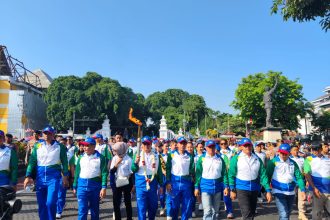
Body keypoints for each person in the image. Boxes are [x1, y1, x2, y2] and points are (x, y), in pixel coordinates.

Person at [24, 126, 69, 220]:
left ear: (53, 134)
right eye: (45, 133)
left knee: (50, 203)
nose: (47, 135)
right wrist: (28, 176)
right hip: (40, 178)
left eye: (49, 133)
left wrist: (65, 176)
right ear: (42, 134)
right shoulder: (37, 146)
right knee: (42, 204)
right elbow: (32, 161)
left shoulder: (60, 147)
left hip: (53, 179)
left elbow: (65, 162)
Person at [228, 138, 272, 220]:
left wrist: (268, 190)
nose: (247, 147)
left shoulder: (257, 159)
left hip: (254, 189)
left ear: (252, 146)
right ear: (241, 147)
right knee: (246, 214)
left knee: (251, 213)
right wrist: (232, 189)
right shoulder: (236, 159)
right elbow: (231, 175)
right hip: (242, 189)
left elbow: (263, 175)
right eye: (245, 146)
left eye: (249, 145)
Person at [267, 143, 306, 220]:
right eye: (281, 153)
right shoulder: (273, 162)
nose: (283, 155)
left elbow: (299, 177)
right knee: (284, 214)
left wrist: (303, 190)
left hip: (291, 192)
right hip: (278, 191)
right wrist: (268, 191)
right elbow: (267, 176)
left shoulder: (293, 163)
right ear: (279, 152)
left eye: (285, 153)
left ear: (289, 153)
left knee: (287, 213)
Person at [73, 137, 108, 220]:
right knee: (82, 210)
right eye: (84, 146)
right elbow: (77, 172)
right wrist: (74, 185)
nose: (85, 148)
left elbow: (104, 173)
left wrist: (103, 187)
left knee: (94, 210)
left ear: (93, 146)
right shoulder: (81, 157)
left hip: (95, 187)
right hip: (82, 186)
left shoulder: (101, 158)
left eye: (87, 146)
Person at [194, 140, 229, 220]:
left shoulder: (220, 159)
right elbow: (198, 174)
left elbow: (224, 173)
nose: (211, 149)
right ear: (206, 148)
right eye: (209, 147)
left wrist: (226, 186)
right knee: (207, 211)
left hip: (217, 187)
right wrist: (196, 187)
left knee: (216, 211)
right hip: (205, 187)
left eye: (213, 147)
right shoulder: (202, 159)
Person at [131, 136, 163, 220]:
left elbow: (159, 171)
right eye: (144, 144)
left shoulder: (156, 155)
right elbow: (133, 169)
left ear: (151, 144)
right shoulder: (137, 155)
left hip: (153, 184)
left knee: (153, 206)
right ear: (142, 145)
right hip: (141, 184)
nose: (146, 146)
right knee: (141, 208)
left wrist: (161, 185)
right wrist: (135, 163)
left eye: (148, 144)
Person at [166, 137, 195, 220]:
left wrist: (193, 180)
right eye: (181, 143)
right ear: (177, 144)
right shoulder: (171, 155)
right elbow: (168, 168)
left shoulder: (190, 156)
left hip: (186, 182)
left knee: (186, 204)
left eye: (184, 143)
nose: (182, 145)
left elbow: (192, 170)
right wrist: (168, 182)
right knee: (174, 206)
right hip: (175, 182)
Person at [304, 144, 330, 220]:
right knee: (317, 213)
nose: (315, 151)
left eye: (317, 149)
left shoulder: (328, 158)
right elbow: (307, 174)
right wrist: (314, 188)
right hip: (317, 190)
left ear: (320, 149)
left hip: (328, 189)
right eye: (313, 149)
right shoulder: (308, 159)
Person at [110, 142, 133, 220]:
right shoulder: (115, 158)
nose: (115, 152)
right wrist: (117, 163)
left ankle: (129, 218)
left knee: (128, 202)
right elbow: (111, 171)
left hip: (126, 182)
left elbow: (131, 172)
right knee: (116, 202)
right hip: (117, 181)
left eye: (116, 150)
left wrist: (132, 184)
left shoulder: (129, 159)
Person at [56, 140, 76, 219]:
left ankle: (58, 211)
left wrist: (72, 177)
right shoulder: (55, 151)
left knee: (61, 193)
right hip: (54, 174)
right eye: (60, 143)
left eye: (64, 143)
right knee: (55, 193)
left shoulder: (70, 154)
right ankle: (61, 205)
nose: (62, 145)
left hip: (64, 175)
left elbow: (71, 166)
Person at [290, 145, 308, 220]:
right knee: (292, 197)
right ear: (290, 151)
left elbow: (305, 170)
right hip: (291, 181)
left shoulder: (302, 159)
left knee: (302, 198)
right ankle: (289, 210)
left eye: (297, 150)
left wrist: (307, 180)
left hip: (301, 180)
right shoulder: (289, 159)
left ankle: (301, 213)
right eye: (294, 150)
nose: (296, 151)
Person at [219, 139, 234, 219]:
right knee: (217, 195)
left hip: (227, 176)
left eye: (225, 143)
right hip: (218, 176)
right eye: (222, 144)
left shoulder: (231, 152)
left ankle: (229, 211)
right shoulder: (218, 152)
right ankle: (216, 210)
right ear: (220, 145)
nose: (223, 145)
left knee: (227, 194)